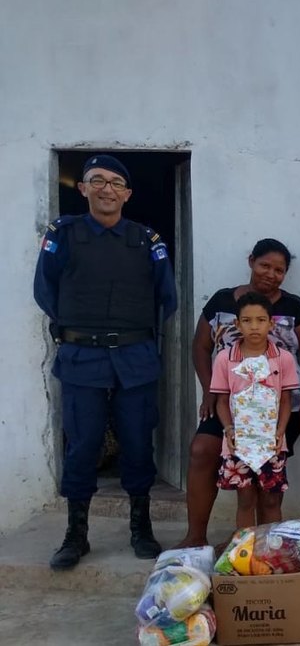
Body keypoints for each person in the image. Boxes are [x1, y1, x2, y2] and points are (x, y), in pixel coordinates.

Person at [34, 154, 178, 569]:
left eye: (116, 183)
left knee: (137, 442)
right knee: (83, 445)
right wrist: (77, 326)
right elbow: (45, 289)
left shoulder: (146, 240)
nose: (107, 188)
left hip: (135, 357)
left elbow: (165, 298)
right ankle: (75, 535)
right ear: (82, 188)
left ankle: (141, 528)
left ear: (127, 194)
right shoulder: (64, 233)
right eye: (97, 180)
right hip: (81, 356)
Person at [174, 238, 300, 548]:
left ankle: (263, 551)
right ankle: (196, 537)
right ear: (251, 261)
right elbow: (201, 347)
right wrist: (209, 392)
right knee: (202, 450)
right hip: (228, 403)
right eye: (264, 265)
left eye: (279, 270)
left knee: (263, 486)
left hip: (277, 411)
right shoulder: (222, 301)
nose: (270, 274)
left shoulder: (294, 308)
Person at [212, 292, 300, 528]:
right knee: (245, 500)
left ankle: (269, 553)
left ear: (271, 323)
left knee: (271, 501)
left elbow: (285, 400)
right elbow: (222, 401)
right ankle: (246, 554)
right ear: (237, 323)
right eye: (247, 320)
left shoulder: (283, 359)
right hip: (238, 442)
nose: (254, 326)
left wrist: (280, 432)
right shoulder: (225, 359)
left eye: (261, 320)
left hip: (272, 443)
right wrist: (229, 429)